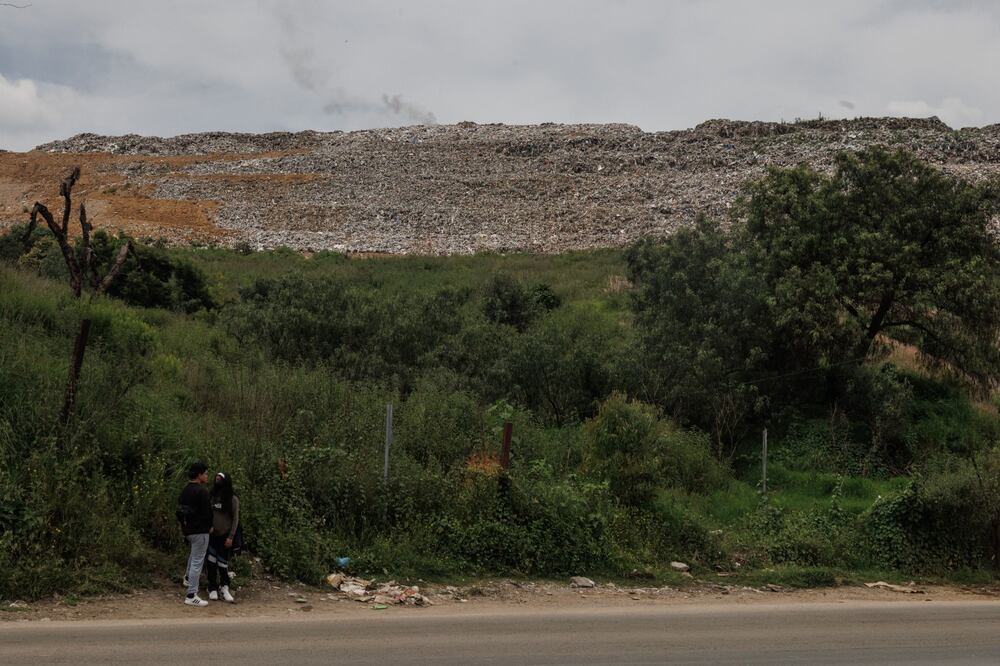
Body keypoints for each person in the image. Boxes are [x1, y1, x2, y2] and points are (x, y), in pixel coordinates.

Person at [178, 462, 213, 607]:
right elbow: (207, 512)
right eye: (205, 473)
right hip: (200, 531)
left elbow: (180, 511)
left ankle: (187, 578)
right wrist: (210, 526)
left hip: (189, 530)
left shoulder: (185, 490)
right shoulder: (202, 491)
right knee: (198, 561)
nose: (207, 476)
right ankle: (191, 594)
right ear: (199, 474)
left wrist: (184, 527)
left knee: (193, 556)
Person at [207, 471, 240, 603]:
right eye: (216, 478)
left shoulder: (232, 499)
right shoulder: (212, 496)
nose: (217, 480)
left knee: (223, 563)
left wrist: (231, 537)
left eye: (220, 479)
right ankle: (212, 587)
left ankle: (225, 586)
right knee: (210, 562)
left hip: (225, 536)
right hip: (211, 535)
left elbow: (235, 519)